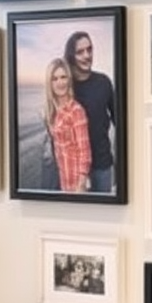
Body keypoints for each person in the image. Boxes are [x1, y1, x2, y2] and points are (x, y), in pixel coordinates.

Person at [64, 30, 115, 193]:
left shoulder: (104, 82)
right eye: (80, 52)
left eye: (89, 49)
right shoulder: (65, 87)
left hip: (102, 164)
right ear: (71, 55)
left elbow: (118, 121)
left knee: (105, 214)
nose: (87, 55)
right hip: (74, 167)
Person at [44, 57, 90, 193]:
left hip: (76, 184)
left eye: (63, 77)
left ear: (69, 80)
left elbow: (85, 151)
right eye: (55, 78)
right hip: (63, 181)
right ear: (50, 83)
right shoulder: (52, 112)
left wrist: (81, 185)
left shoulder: (76, 110)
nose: (60, 83)